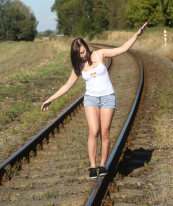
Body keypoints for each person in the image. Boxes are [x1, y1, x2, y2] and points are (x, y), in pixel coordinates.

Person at [41, 22, 148, 179]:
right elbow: (67, 86)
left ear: (86, 47)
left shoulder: (100, 54)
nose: (82, 55)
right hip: (90, 99)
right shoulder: (78, 66)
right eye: (79, 54)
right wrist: (50, 99)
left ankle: (103, 164)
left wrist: (137, 34)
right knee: (93, 131)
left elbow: (123, 48)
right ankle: (92, 166)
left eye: (83, 51)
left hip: (107, 98)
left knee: (104, 133)